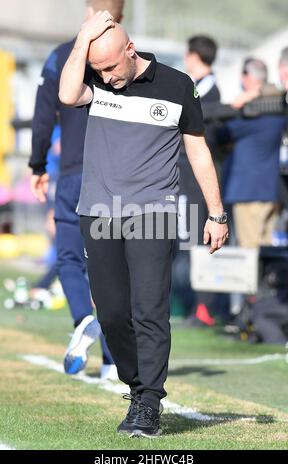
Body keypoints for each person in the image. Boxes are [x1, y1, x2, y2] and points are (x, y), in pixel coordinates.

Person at [59, 12, 228, 438]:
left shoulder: (177, 86)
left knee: (149, 309)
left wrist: (216, 213)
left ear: (130, 50)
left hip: (153, 212)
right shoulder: (95, 80)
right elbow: (66, 94)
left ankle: (149, 402)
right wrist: (84, 40)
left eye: (112, 66)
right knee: (113, 313)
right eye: (100, 69)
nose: (108, 77)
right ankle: (137, 387)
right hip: (98, 212)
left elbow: (199, 152)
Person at [29, 0, 125, 379]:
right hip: (115, 176)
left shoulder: (61, 54)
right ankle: (113, 362)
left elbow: (42, 115)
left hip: (72, 173)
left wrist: (38, 165)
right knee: (110, 268)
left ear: (89, 11)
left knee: (70, 258)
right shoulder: (127, 54)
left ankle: (84, 319)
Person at [176, 35, 222, 326]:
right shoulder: (199, 87)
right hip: (186, 181)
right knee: (183, 244)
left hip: (194, 183)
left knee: (189, 244)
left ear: (193, 56)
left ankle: (202, 308)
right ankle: (193, 306)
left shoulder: (208, 91)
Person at [220, 58, 287, 248]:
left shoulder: (252, 112)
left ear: (248, 78)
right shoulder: (278, 108)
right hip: (272, 190)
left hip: (249, 192)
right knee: (267, 250)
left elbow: (221, 134)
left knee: (250, 251)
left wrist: (235, 106)